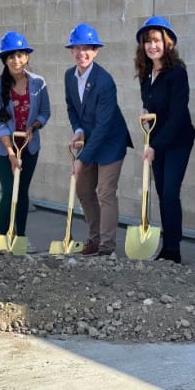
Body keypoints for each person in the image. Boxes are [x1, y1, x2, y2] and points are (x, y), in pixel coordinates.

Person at [63, 23, 134, 256]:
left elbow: (104, 126)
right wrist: (78, 129)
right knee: (83, 189)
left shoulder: (105, 81)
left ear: (96, 52)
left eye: (87, 48)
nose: (81, 53)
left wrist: (82, 159)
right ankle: (93, 240)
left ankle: (106, 247)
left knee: (105, 192)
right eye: (76, 48)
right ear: (71, 50)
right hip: (90, 140)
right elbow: (72, 108)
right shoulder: (69, 77)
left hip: (111, 142)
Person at [133, 16, 195, 264]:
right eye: (148, 42)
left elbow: (178, 113)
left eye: (156, 40)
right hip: (157, 140)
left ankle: (173, 249)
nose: (152, 46)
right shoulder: (146, 73)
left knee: (170, 191)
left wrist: (155, 147)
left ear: (167, 43)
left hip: (178, 140)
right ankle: (167, 246)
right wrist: (145, 113)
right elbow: (152, 106)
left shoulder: (177, 73)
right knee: (161, 191)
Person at [0, 31, 51, 253]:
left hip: (30, 147)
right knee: (8, 190)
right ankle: (5, 239)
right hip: (4, 150)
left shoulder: (38, 83)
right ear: (4, 60)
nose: (16, 61)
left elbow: (45, 113)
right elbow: (0, 123)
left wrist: (33, 127)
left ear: (27, 58)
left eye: (20, 55)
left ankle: (20, 239)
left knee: (22, 192)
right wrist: (11, 152)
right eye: (11, 56)